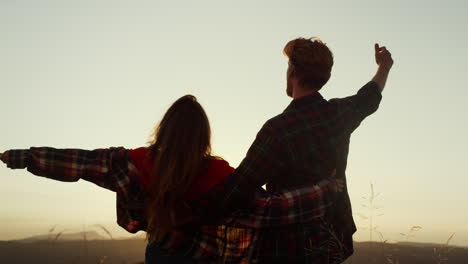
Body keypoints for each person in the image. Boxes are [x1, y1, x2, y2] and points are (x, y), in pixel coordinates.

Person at [0, 95, 342, 263]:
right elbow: (273, 210)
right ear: (204, 136)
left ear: (164, 128)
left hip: (160, 255)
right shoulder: (220, 177)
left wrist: (19, 157)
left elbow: (77, 162)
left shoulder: (133, 164)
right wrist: (327, 189)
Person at [158, 38, 394, 263]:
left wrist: (188, 212)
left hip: (290, 247)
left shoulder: (279, 129)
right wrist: (384, 67)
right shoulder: (339, 113)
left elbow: (239, 187)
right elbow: (370, 96)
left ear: (292, 71)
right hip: (333, 240)